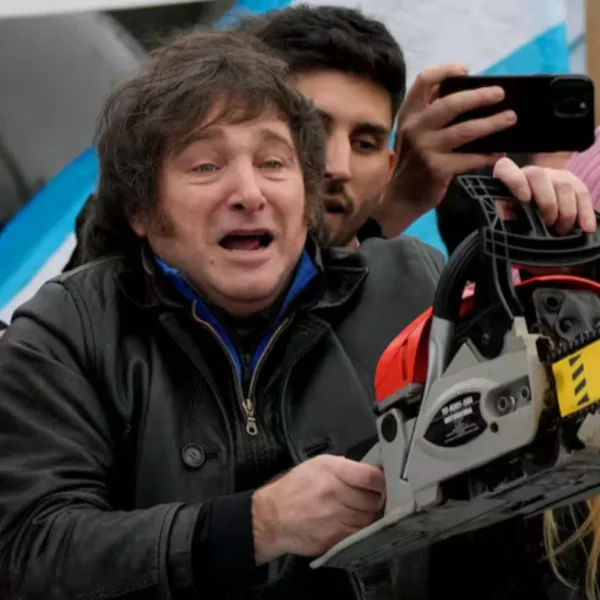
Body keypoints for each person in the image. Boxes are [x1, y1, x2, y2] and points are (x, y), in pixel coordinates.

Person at [0, 29, 445, 600]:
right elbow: (30, 551)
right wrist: (253, 526)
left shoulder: (413, 284)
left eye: (274, 162)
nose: (249, 193)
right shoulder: (67, 332)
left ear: (307, 196)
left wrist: (539, 248)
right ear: (141, 208)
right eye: (206, 166)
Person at [237, 5, 596, 250]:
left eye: (365, 143)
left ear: (389, 165)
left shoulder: (420, 299)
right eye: (311, 132)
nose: (338, 167)